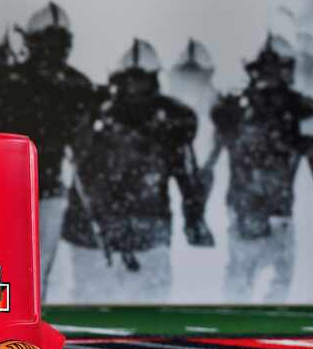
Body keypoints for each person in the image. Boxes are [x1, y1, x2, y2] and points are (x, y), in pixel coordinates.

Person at [60, 39, 214, 303]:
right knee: (92, 319)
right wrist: (101, 224)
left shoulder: (172, 119)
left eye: (140, 81)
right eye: (131, 81)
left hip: (145, 234)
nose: (135, 90)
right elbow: (84, 173)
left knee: (146, 320)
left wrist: (194, 216)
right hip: (96, 237)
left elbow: (186, 175)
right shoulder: (93, 114)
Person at [205, 34, 313, 302]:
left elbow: (207, 167)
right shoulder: (298, 111)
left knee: (241, 300)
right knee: (263, 303)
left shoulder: (236, 109)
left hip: (249, 218)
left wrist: (197, 215)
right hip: (263, 218)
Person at [0, 2, 93, 299]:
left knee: (36, 267)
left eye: (59, 43)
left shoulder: (76, 86)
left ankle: (30, 320)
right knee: (8, 261)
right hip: (8, 186)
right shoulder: (6, 81)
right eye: (49, 42)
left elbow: (83, 146)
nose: (54, 51)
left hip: (46, 187)